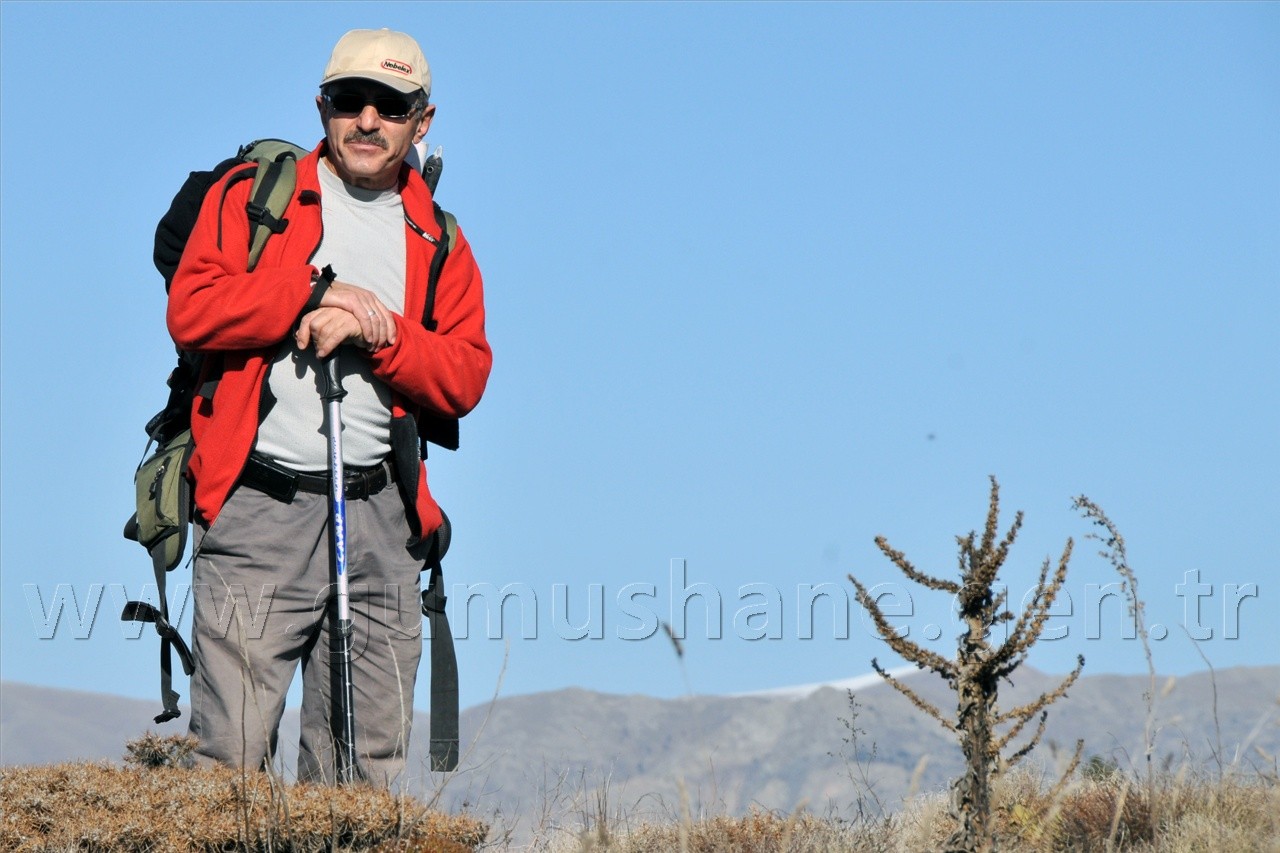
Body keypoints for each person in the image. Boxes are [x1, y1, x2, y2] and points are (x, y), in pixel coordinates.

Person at [166, 28, 491, 785]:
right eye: (351, 100)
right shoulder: (254, 198)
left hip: (381, 517)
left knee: (362, 769)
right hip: (258, 507)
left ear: (424, 120)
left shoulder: (438, 237)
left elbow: (466, 375)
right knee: (227, 762)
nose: (368, 119)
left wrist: (377, 331)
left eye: (391, 104)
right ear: (322, 107)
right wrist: (311, 293)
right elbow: (193, 307)